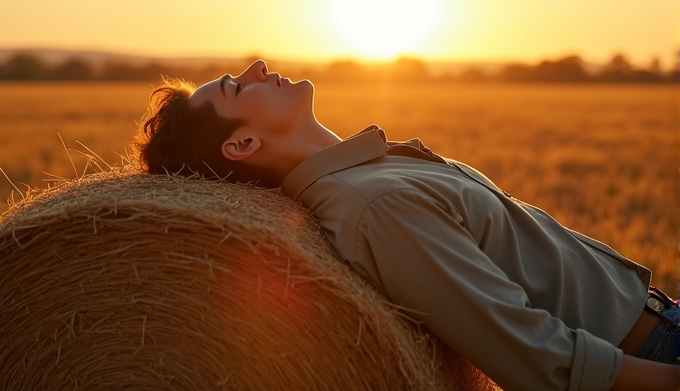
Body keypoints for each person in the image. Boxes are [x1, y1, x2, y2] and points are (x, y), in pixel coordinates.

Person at [133, 59, 680, 390]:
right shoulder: (374, 207)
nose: (256, 68)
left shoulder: (375, 172)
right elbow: (538, 361)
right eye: (237, 88)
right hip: (653, 359)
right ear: (244, 144)